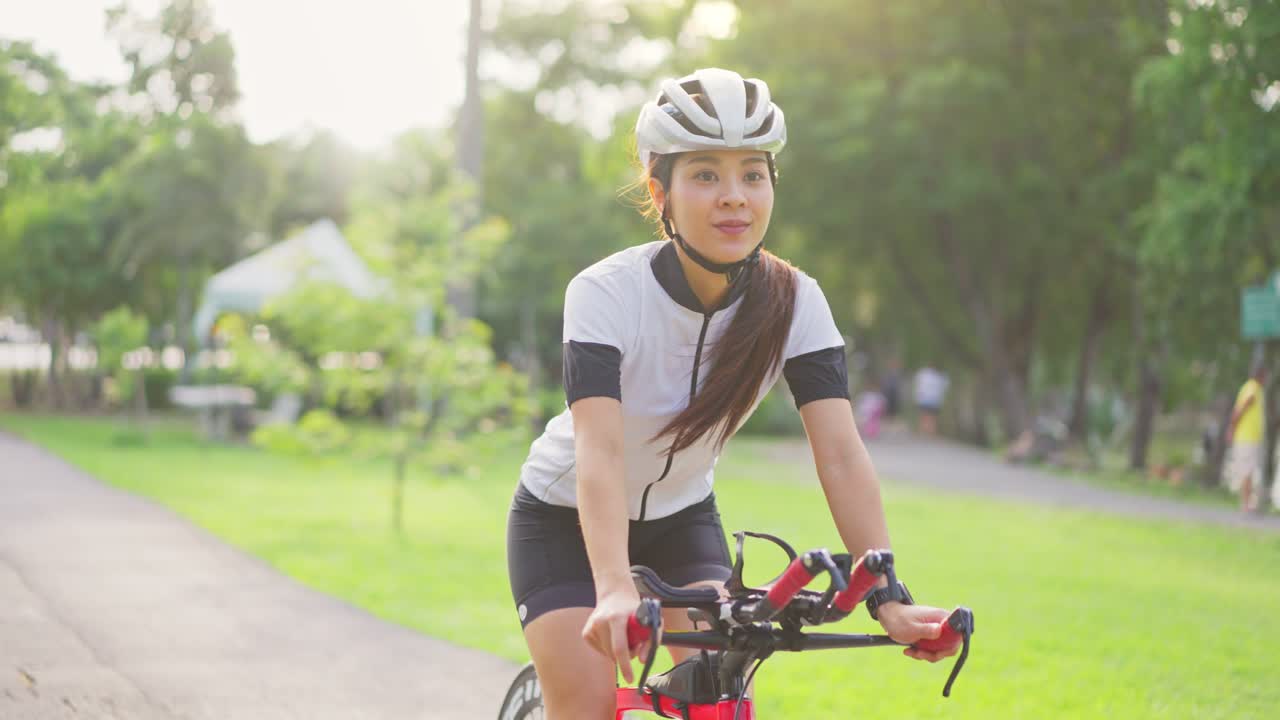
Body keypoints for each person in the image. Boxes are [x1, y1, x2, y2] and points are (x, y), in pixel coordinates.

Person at [505, 68, 959, 719]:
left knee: (718, 696)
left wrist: (886, 593)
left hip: (681, 520)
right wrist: (612, 588)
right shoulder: (604, 293)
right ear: (660, 191)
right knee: (584, 705)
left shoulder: (796, 303)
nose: (734, 197)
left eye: (753, 173)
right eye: (706, 175)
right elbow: (599, 452)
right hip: (563, 521)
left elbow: (839, 454)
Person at [1226, 358, 1266, 512]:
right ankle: (1246, 504)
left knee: (1248, 470)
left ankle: (1248, 502)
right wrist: (1232, 427)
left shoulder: (1254, 388)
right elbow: (1240, 409)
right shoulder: (1252, 388)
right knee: (1247, 470)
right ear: (1260, 374)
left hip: (1251, 437)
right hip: (1246, 437)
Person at [913, 363, 949, 435]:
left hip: (926, 399)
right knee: (931, 417)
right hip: (933, 399)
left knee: (925, 416)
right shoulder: (939, 375)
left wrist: (917, 397)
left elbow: (918, 385)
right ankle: (929, 432)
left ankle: (924, 432)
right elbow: (945, 386)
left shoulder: (923, 373)